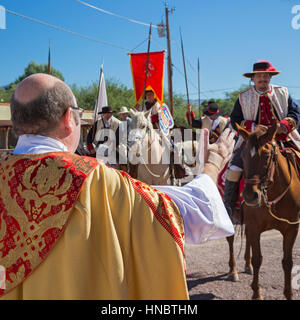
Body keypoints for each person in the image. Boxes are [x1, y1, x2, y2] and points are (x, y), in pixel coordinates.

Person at [0, 73, 235, 300]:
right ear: (67, 119)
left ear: (18, 123)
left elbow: (163, 124)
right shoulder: (98, 181)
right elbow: (195, 212)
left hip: (154, 135)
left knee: (170, 148)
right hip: (112, 152)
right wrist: (213, 164)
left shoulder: (153, 109)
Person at [223, 60, 300, 219]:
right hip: (252, 140)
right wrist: (253, 127)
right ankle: (230, 207)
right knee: (234, 167)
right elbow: (235, 119)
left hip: (281, 138)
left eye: (266, 76)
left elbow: (294, 114)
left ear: (270, 77)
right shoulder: (243, 97)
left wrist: (284, 125)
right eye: (259, 76)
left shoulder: (282, 93)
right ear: (253, 79)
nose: (263, 79)